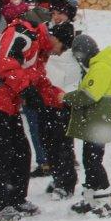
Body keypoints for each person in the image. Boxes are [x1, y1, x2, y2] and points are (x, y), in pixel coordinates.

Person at [0, 0, 61, 221]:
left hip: (10, 105)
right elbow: (5, 65)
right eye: (60, 45)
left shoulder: (36, 46)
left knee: (20, 152)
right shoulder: (22, 34)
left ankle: (15, 198)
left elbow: (37, 78)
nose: (59, 52)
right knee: (1, 155)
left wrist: (56, 99)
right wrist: (27, 90)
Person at [63, 34, 111, 218]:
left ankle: (106, 197)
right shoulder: (100, 65)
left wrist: (65, 97)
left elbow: (88, 96)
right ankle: (91, 197)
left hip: (98, 123)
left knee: (93, 160)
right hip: (98, 121)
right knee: (90, 158)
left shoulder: (100, 68)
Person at [41, 21, 80, 199]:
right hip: (48, 107)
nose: (49, 41)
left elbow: (67, 85)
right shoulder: (50, 57)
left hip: (62, 108)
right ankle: (58, 177)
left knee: (62, 145)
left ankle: (66, 182)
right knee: (50, 143)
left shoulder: (70, 61)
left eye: (53, 38)